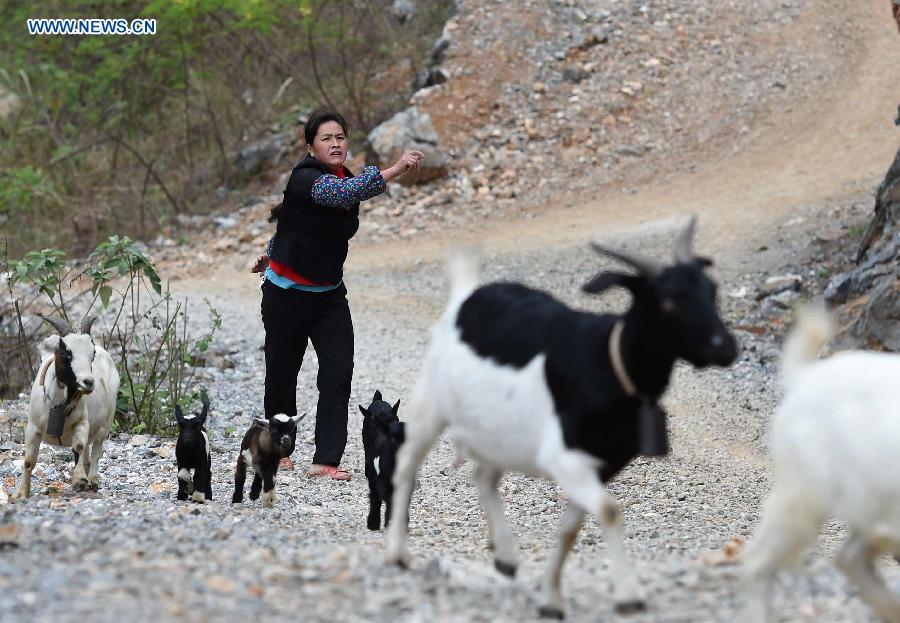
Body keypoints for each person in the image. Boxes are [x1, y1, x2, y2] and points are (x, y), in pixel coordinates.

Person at [251, 110, 423, 480]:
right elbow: (341, 194)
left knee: (338, 372)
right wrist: (393, 170)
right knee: (282, 373)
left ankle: (326, 460)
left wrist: (272, 250)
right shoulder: (306, 178)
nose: (335, 144)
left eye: (341, 137)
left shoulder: (347, 177)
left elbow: (295, 222)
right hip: (286, 296)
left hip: (329, 295)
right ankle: (279, 447)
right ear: (310, 147)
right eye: (326, 138)